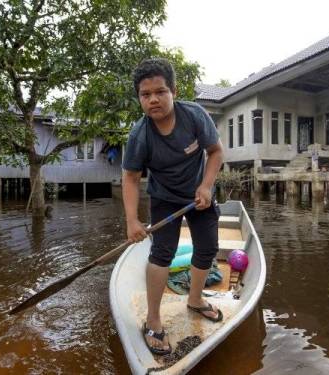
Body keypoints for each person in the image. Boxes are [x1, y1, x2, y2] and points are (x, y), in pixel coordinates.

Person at [122, 58, 224, 355]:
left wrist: (206, 186)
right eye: (145, 94)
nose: (153, 99)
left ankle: (195, 299)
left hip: (198, 195)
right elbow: (130, 178)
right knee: (162, 253)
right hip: (164, 198)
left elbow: (215, 152)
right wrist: (132, 220)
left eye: (160, 91)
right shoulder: (140, 135)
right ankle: (153, 321)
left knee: (207, 248)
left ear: (173, 91)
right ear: (139, 98)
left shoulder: (194, 116)